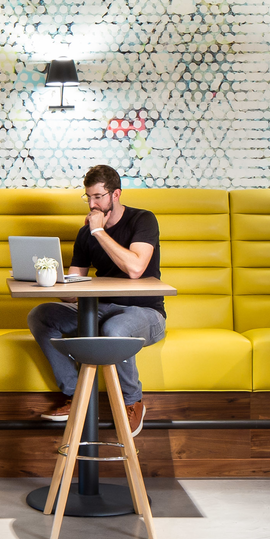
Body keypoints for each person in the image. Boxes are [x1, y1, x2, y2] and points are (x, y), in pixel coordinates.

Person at [27, 164, 165, 432]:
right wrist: (49, 278)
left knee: (113, 329)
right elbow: (73, 291)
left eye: (98, 197)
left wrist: (99, 232)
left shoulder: (143, 220)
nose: (92, 204)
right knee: (41, 315)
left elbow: (135, 269)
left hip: (146, 313)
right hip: (101, 309)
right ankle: (78, 395)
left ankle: (132, 401)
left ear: (116, 195)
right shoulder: (85, 233)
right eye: (88, 197)